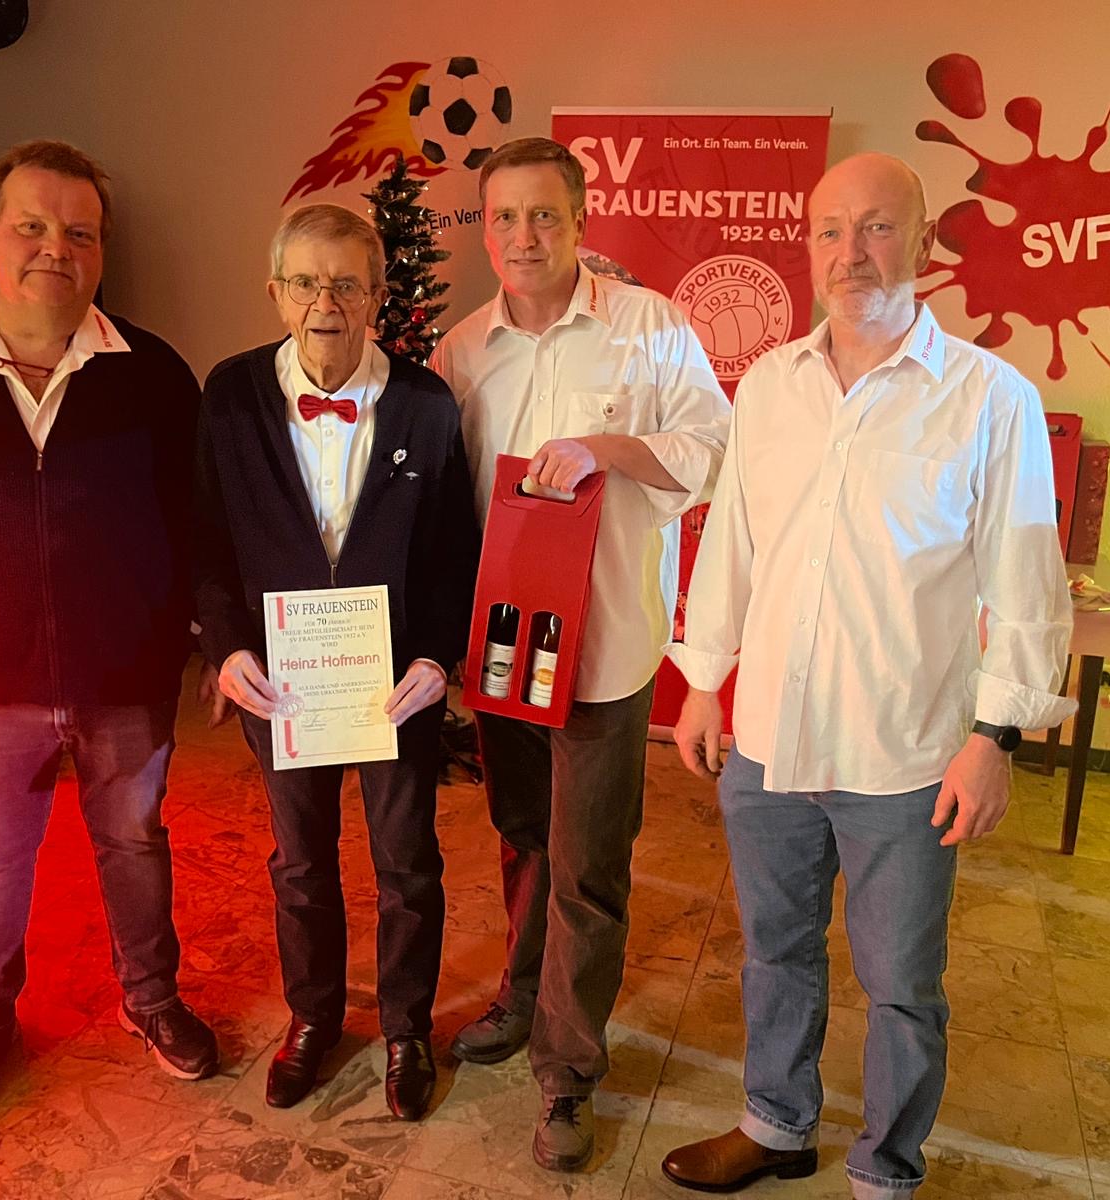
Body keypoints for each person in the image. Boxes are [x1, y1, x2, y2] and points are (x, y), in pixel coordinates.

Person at [660, 152, 1075, 1198]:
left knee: (900, 988)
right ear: (809, 248)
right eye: (830, 231)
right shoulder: (769, 385)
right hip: (768, 740)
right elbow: (733, 543)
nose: (852, 253)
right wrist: (704, 680)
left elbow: (1027, 586)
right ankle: (775, 1124)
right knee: (775, 953)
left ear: (924, 243)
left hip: (904, 752)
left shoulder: (989, 398)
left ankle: (886, 1170)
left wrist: (994, 738)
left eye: (878, 227)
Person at [0, 140, 217, 1122]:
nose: (56, 247)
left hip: (125, 672)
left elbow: (195, 520)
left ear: (101, 249)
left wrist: (208, 638)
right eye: (33, 226)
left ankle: (151, 999)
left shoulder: (152, 373)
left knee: (134, 843)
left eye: (80, 232)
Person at [429, 137, 729, 1171]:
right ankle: (522, 996)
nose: (523, 236)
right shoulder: (462, 352)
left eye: (544, 215)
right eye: (504, 217)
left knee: (589, 865)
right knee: (523, 837)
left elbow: (712, 450)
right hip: (506, 652)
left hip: (605, 647)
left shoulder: (652, 328)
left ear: (580, 221)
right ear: (486, 231)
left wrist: (605, 451)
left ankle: (567, 1069)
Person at [193, 203, 478, 1121]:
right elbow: (204, 540)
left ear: (378, 295)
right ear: (277, 294)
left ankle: (406, 1028)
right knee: (301, 863)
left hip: (395, 684)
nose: (327, 301)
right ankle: (314, 1017)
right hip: (280, 684)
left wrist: (437, 656)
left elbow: (454, 549)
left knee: (408, 863)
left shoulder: (426, 402)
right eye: (307, 282)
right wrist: (225, 648)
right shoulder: (231, 395)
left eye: (348, 283)